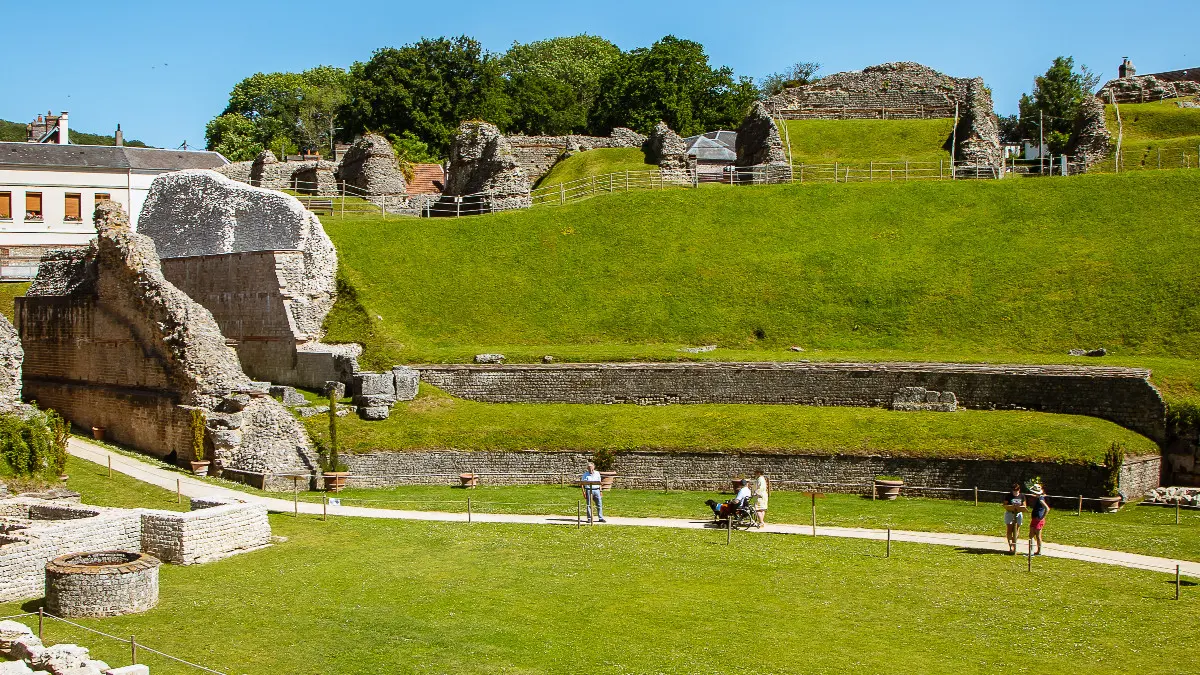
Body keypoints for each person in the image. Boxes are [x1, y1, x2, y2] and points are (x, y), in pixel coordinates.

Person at [1001, 482, 1025, 554]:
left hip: (1018, 514)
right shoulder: (1008, 496)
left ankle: (1014, 545)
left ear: (1019, 490)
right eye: (1014, 490)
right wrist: (1010, 506)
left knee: (1016, 529)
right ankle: (1010, 545)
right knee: (1009, 529)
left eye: (1016, 490)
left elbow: (1024, 505)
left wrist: (1020, 507)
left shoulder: (1022, 496)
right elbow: (1005, 504)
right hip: (1010, 513)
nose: (1015, 492)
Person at [1027, 483, 1050, 555]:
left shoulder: (1040, 499)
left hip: (1038, 519)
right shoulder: (1039, 497)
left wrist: (1042, 517)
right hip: (1035, 518)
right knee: (1031, 535)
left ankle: (1037, 551)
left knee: (1036, 535)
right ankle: (1033, 551)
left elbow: (1047, 508)